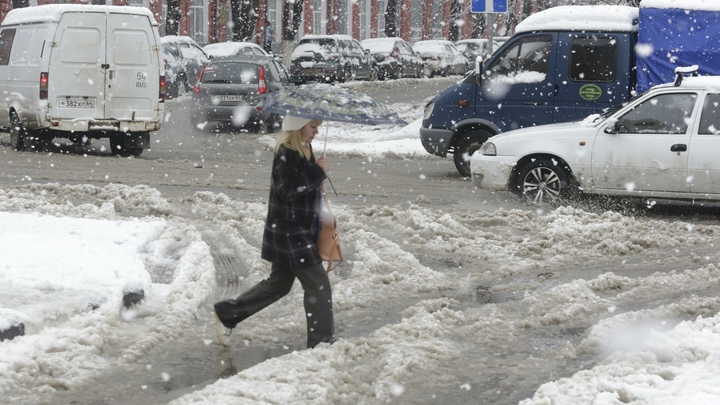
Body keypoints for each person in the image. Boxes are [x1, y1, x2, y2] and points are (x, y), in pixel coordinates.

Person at [213, 115, 335, 349]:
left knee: (278, 285)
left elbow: (298, 188)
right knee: (318, 284)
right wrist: (316, 172)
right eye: (312, 127)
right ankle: (321, 343)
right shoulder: (286, 155)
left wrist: (315, 179)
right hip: (291, 234)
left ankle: (228, 313)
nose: (315, 132)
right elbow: (287, 190)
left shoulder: (302, 152)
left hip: (293, 232)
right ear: (298, 128)